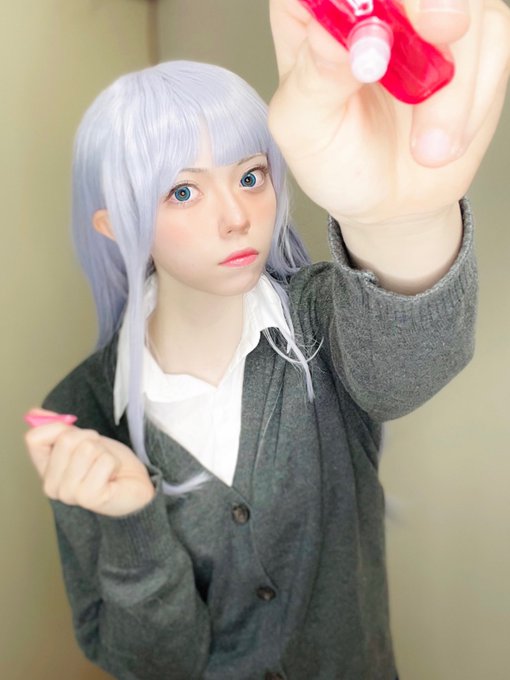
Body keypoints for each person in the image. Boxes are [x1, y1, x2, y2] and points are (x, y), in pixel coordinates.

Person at [24, 0, 510, 678]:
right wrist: (132, 523)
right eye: (183, 193)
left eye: (251, 177)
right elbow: (155, 664)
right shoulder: (80, 416)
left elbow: (416, 360)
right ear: (116, 224)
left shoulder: (321, 318)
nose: (236, 217)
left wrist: (404, 220)